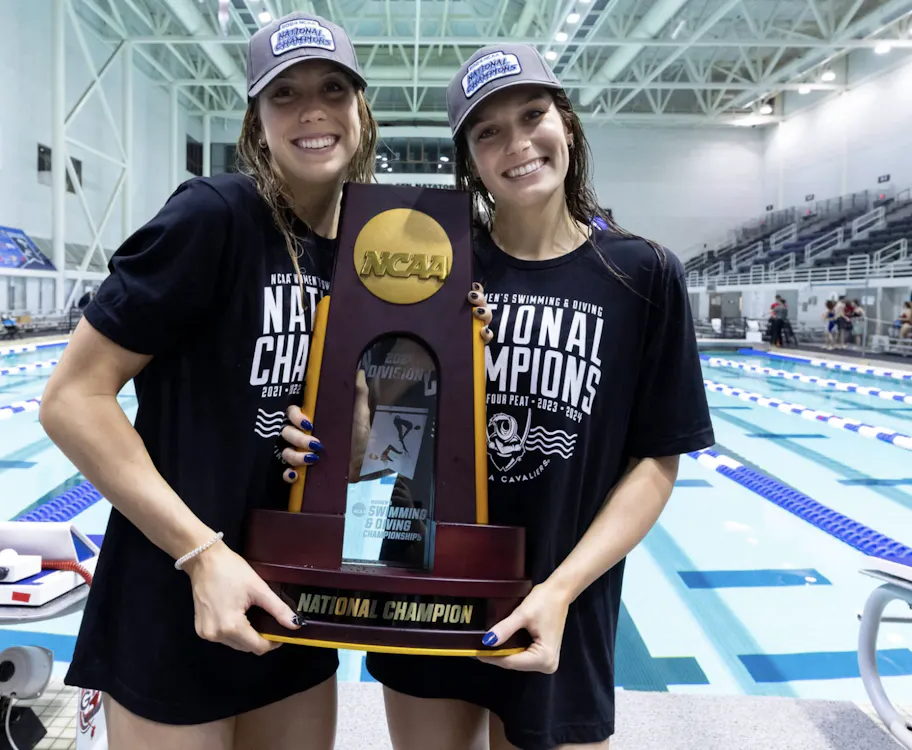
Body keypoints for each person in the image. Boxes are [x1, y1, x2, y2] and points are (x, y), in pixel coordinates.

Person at [39, 13, 379, 749]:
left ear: (361, 111)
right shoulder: (214, 217)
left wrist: (361, 444)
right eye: (283, 95)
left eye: (331, 89)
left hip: (295, 598)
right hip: (176, 594)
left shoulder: (364, 254)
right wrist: (202, 553)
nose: (312, 110)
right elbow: (72, 399)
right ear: (256, 123)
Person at [362, 43, 715, 750]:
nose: (517, 144)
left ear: (569, 124)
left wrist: (558, 592)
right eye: (488, 132)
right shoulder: (433, 267)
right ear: (470, 158)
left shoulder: (642, 274)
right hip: (432, 588)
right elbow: (389, 444)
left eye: (533, 115)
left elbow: (655, 461)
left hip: (566, 601)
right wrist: (427, 359)